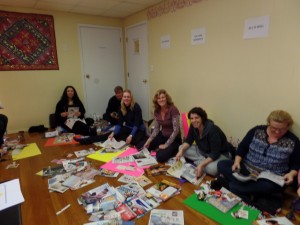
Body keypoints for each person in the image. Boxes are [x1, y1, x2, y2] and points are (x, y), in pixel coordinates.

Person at [217, 110, 300, 205]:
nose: (277, 132)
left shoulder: (293, 141)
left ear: (288, 126)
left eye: (282, 129)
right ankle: (248, 191)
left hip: (270, 178)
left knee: (271, 187)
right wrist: (237, 162)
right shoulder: (257, 131)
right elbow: (242, 148)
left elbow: (296, 164)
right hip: (247, 170)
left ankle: (237, 188)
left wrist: (291, 175)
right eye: (274, 128)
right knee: (222, 164)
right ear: (268, 123)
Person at [175, 107, 230, 177]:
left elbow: (215, 154)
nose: (194, 120)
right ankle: (203, 161)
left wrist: (201, 165)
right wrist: (181, 151)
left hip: (219, 155)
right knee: (181, 148)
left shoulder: (212, 130)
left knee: (212, 170)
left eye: (196, 118)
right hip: (204, 151)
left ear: (202, 118)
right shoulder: (193, 126)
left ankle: (201, 162)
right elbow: (189, 140)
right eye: (191, 118)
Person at [143, 89, 182, 162]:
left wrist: (166, 145)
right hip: (163, 135)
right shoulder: (156, 111)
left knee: (161, 157)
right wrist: (149, 140)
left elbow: (176, 130)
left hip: (174, 139)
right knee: (146, 146)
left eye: (163, 97)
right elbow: (156, 129)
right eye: (159, 98)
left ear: (166, 98)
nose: (161, 99)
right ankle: (160, 148)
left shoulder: (173, 109)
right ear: (156, 100)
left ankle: (171, 149)